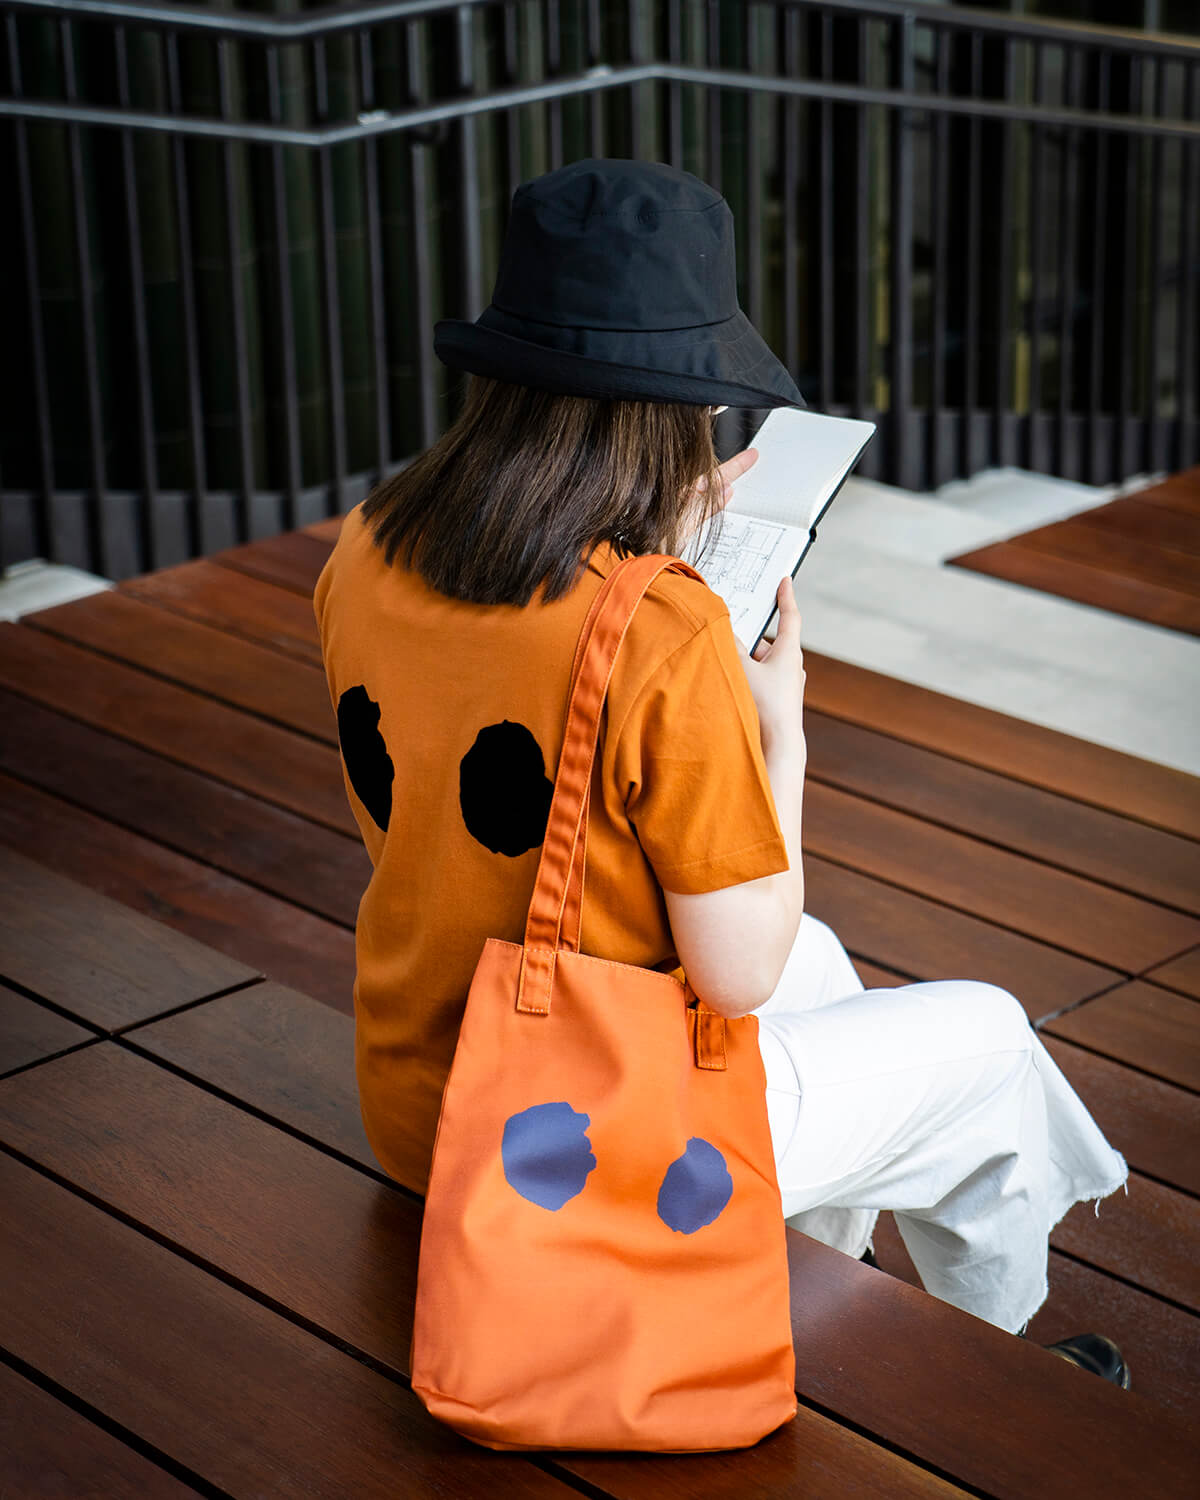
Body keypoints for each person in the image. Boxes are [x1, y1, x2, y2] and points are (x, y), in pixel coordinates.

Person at [312, 157, 1130, 1386]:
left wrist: (648, 557)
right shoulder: (660, 625)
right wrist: (778, 723)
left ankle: (784, 1293)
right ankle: (998, 1384)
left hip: (424, 1092)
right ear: (677, 410)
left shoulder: (369, 543)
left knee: (830, 968)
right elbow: (734, 979)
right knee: (994, 1047)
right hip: (578, 1139)